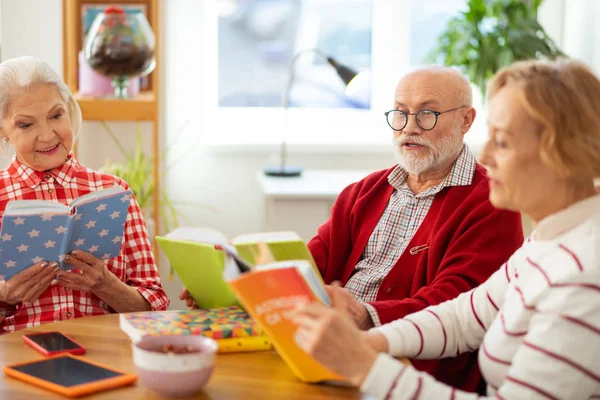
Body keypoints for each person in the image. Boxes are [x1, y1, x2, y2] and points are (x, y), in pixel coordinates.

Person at [181, 66, 524, 391]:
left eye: (427, 114)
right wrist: (232, 284)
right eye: (400, 113)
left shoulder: (493, 201)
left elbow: (458, 305)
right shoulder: (362, 193)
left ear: (466, 120)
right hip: (327, 350)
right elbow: (307, 265)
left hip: (406, 369)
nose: (409, 127)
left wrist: (365, 315)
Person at [294, 58, 600, 399]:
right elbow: (462, 317)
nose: (485, 157)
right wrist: (366, 343)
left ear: (562, 152)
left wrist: (363, 364)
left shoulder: (584, 276)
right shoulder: (548, 241)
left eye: (503, 142)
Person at [0, 57, 169, 332]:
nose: (47, 135)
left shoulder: (115, 192)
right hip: (22, 356)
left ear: (69, 111)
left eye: (56, 116)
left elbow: (155, 309)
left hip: (105, 352)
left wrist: (106, 284)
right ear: (3, 132)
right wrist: (6, 294)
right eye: (25, 125)